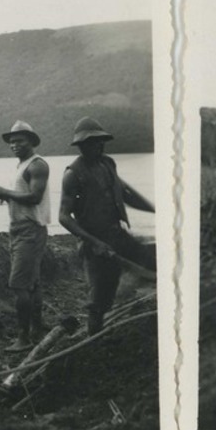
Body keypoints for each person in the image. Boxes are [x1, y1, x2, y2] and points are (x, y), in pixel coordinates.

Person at [58, 116, 156, 336]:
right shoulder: (72, 174)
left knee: (151, 263)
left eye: (100, 141)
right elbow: (64, 217)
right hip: (94, 244)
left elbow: (126, 193)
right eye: (91, 143)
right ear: (81, 146)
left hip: (117, 234)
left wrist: (157, 209)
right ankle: (92, 341)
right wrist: (94, 242)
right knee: (98, 299)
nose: (98, 146)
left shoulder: (107, 163)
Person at [0, 119, 50, 350]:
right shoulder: (22, 166)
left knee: (19, 285)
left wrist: (4, 191)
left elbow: (35, 196)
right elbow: (21, 194)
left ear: (31, 142)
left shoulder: (38, 165)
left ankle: (23, 338)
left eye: (20, 141)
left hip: (30, 230)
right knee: (32, 284)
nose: (15, 145)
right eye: (12, 142)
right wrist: (4, 196)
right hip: (18, 229)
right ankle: (36, 333)